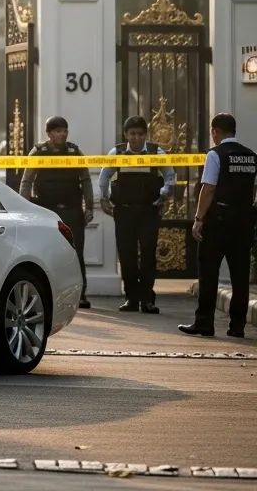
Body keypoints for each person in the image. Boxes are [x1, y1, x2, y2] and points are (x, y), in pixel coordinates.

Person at [178, 112, 256, 339]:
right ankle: (237, 326)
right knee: (240, 276)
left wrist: (199, 219)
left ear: (215, 131)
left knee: (209, 273)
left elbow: (209, 188)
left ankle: (204, 323)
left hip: (218, 222)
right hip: (243, 222)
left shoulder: (215, 154)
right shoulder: (251, 156)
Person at [99, 115, 175, 314]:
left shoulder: (155, 151)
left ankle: (147, 300)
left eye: (140, 134)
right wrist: (104, 198)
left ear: (145, 135)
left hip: (148, 211)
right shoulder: (117, 152)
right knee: (127, 255)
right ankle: (132, 299)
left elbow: (170, 176)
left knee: (148, 254)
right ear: (126, 135)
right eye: (132, 134)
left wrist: (163, 195)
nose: (136, 138)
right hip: (123, 211)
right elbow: (104, 176)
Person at [19, 115, 94, 309]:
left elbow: (85, 180)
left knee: (76, 254)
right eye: (58, 131)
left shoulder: (75, 152)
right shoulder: (38, 152)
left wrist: (89, 207)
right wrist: (25, 208)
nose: (62, 134)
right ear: (49, 134)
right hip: (46, 212)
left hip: (72, 211)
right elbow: (27, 181)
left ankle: (81, 295)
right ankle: (49, 295)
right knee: (46, 254)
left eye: (65, 131)